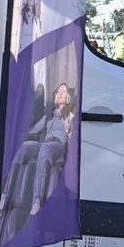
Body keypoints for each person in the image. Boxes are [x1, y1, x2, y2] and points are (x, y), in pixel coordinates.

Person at [29, 82, 76, 216]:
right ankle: (5, 194)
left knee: (45, 150)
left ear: (68, 97)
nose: (61, 93)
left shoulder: (70, 116)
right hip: (45, 143)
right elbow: (34, 130)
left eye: (64, 91)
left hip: (58, 146)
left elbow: (72, 134)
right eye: (59, 91)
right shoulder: (49, 116)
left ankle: (37, 200)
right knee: (25, 148)